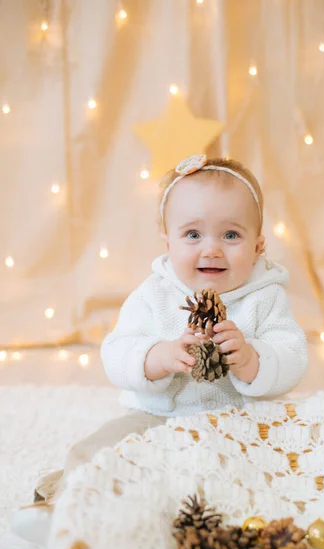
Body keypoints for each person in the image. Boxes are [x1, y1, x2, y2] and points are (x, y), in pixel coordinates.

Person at [34, 154, 308, 504]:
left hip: (241, 425)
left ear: (258, 246)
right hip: (157, 418)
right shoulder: (154, 294)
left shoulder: (266, 297)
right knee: (97, 453)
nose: (211, 248)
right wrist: (157, 357)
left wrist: (253, 360)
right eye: (193, 234)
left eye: (231, 234)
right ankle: (66, 507)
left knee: (274, 471)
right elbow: (117, 351)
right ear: (168, 243)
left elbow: (293, 354)